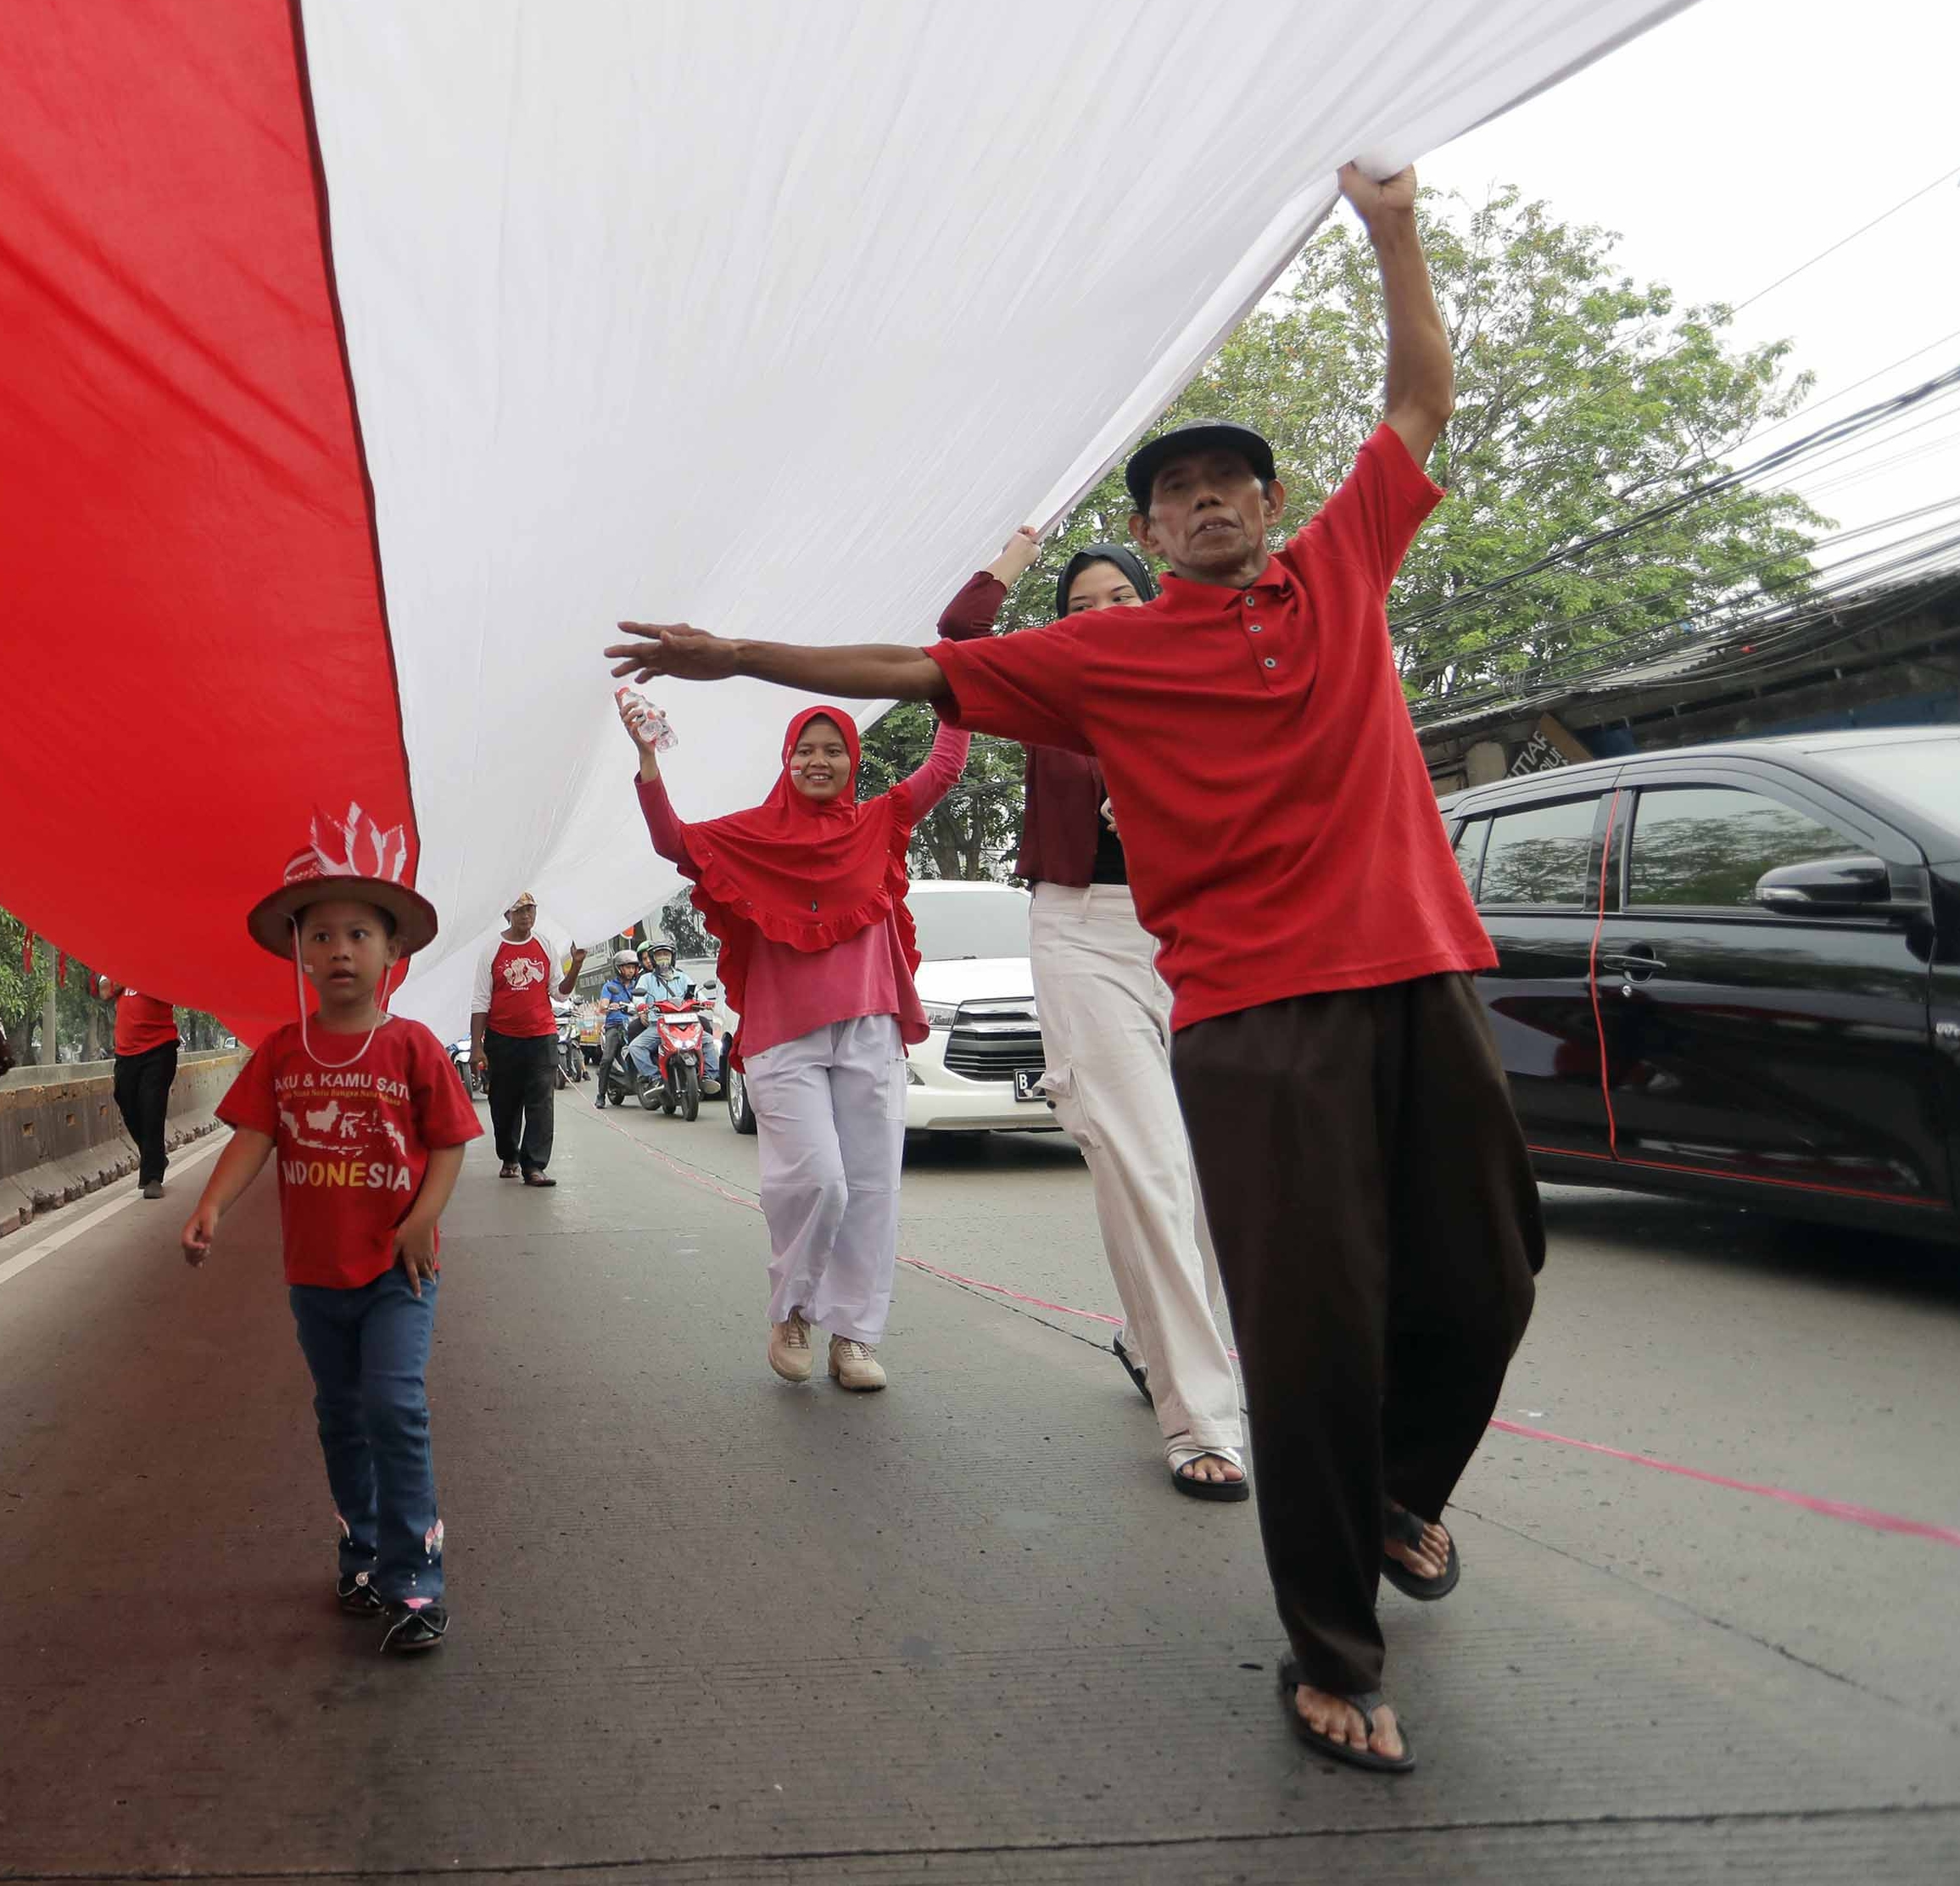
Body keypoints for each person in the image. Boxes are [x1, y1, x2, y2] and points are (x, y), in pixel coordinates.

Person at [606, 163, 1535, 1774]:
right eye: (1177, 494)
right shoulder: (1104, 657)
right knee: (1308, 1322)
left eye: (1233, 482)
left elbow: (1421, 394)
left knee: (1495, 1268)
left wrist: (1392, 230)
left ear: (1268, 499)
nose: (1211, 504)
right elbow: (914, 664)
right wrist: (739, 653)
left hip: (1423, 971)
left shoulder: (1343, 569)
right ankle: (1330, 1645)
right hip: (1252, 1013)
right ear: (1150, 533)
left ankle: (1401, 1491)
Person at [939, 531, 1250, 1503]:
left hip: (1199, 925)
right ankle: (1202, 1413)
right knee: (1140, 1158)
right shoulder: (1049, 692)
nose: (1103, 611)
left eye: (1122, 594)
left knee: (1220, 1172)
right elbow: (956, 639)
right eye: (1081, 603)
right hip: (1082, 926)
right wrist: (1017, 553)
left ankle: (1150, 1332)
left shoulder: (1205, 679)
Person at [183, 814, 478, 1652]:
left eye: (359, 932)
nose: (340, 948)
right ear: (299, 954)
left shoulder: (414, 1047)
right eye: (322, 934)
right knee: (340, 1414)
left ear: (393, 954)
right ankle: (360, 1551)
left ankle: (416, 1575)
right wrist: (211, 1206)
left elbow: (452, 1143)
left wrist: (422, 1219)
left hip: (398, 1270)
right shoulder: (283, 1052)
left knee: (394, 1404)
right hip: (315, 1275)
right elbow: (253, 1136)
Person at [624, 693, 968, 1393]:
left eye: (833, 749)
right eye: (805, 750)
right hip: (785, 1036)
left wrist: (954, 685)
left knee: (871, 1190)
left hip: (869, 1026)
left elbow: (945, 766)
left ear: (853, 760)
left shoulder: (882, 821)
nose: (820, 760)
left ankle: (854, 1338)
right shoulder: (751, 835)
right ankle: (793, 1311)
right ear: (787, 761)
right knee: (818, 1182)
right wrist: (648, 759)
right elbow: (673, 841)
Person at [470, 893, 567, 1185]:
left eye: (531, 909)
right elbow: (480, 1001)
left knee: (541, 1101)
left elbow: (560, 992)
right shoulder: (492, 950)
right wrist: (477, 1047)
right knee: (504, 1102)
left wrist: (574, 966)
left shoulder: (545, 945)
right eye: (521, 910)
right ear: (508, 915)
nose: (527, 915)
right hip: (502, 1039)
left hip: (542, 1036)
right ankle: (509, 1155)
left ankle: (534, 1165)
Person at [98, 977, 183, 1198]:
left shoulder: (158, 964)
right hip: (126, 1052)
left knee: (152, 1107)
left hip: (159, 1047)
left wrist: (143, 972)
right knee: (125, 1100)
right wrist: (125, 974)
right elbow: (104, 991)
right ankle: (152, 1155)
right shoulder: (115, 965)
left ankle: (152, 1177)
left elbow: (176, 990)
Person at [621, 938, 722, 1097]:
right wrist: (641, 1006)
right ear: (653, 959)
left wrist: (706, 1002)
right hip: (659, 1025)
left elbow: (696, 993)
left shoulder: (682, 977)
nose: (663, 958)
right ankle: (655, 1078)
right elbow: (638, 996)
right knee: (635, 1048)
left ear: (672, 957)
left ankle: (708, 1076)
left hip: (687, 1023)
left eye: (666, 955)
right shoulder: (646, 979)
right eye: (659, 955)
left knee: (709, 1042)